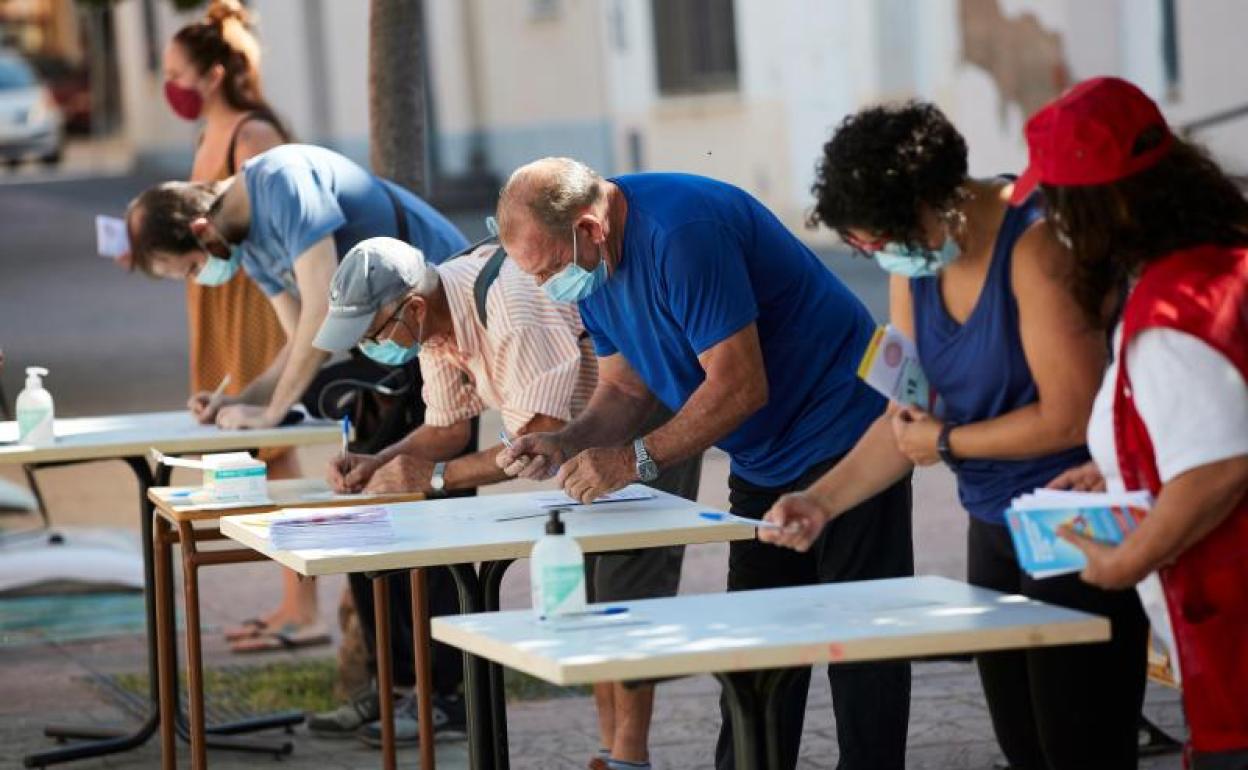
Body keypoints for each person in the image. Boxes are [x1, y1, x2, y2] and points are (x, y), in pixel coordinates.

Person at [760, 101, 1150, 769]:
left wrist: (948, 445)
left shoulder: (1035, 248)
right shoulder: (914, 265)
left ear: (935, 203)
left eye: (878, 242)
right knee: (1025, 748)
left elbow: (1072, 413)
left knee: (1080, 747)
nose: (877, 257)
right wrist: (820, 501)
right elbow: (906, 420)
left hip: (1075, 523)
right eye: (862, 248)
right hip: (993, 528)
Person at [495, 159, 913, 770]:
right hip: (764, 455)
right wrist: (569, 439)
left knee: (863, 647)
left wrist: (636, 459)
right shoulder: (594, 262)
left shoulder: (681, 234)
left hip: (846, 429)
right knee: (757, 656)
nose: (547, 286)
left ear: (589, 227)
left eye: (550, 269)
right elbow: (625, 389)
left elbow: (741, 387)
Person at [309, 236, 701, 754]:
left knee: (622, 597)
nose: (368, 349)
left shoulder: (510, 308)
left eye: (372, 333)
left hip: (646, 410)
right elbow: (446, 429)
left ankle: (628, 755)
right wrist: (378, 461)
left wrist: (430, 478)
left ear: (414, 308)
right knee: (590, 606)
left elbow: (536, 447)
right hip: (585, 431)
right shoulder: (433, 328)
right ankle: (613, 751)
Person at [1016, 77, 1248, 768]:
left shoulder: (1170, 311)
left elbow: (1217, 468)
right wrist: (1121, 462)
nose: (1052, 226)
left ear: (1103, 204)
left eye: (1057, 204)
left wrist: (1125, 563)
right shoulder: (1221, 257)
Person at [160, 0, 320, 653]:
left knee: (273, 449)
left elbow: (284, 224)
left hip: (258, 300)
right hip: (215, 302)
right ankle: (289, 601)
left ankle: (302, 607)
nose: (167, 84)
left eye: (175, 71)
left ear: (213, 75)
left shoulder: (251, 135)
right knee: (250, 453)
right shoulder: (206, 136)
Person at [125, 143, 468, 434]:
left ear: (201, 229)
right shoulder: (246, 243)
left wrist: (273, 412)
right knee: (335, 412)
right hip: (393, 328)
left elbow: (319, 314)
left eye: (193, 267)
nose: (200, 278)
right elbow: (298, 340)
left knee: (418, 463)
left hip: (438, 304)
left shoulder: (283, 182)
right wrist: (244, 399)